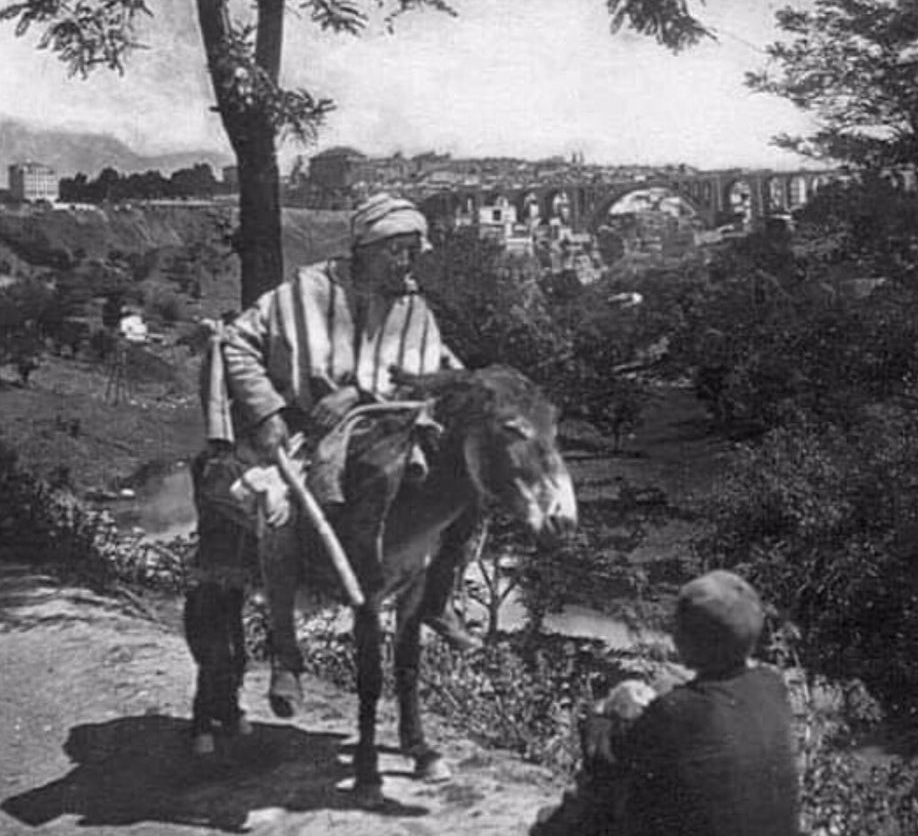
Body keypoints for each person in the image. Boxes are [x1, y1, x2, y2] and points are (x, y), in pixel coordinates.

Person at [196, 192, 478, 719]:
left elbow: (440, 368)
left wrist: (367, 393)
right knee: (277, 513)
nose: (409, 262)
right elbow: (236, 344)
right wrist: (269, 413)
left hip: (397, 428)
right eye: (399, 250)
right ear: (366, 248)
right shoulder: (301, 293)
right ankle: (286, 654)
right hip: (311, 435)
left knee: (469, 484)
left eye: (415, 251)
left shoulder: (414, 308)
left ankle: (439, 596)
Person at [532, 569, 801, 836]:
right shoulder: (772, 685)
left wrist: (606, 708)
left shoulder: (679, 711)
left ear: (686, 639)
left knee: (588, 806)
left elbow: (604, 755)